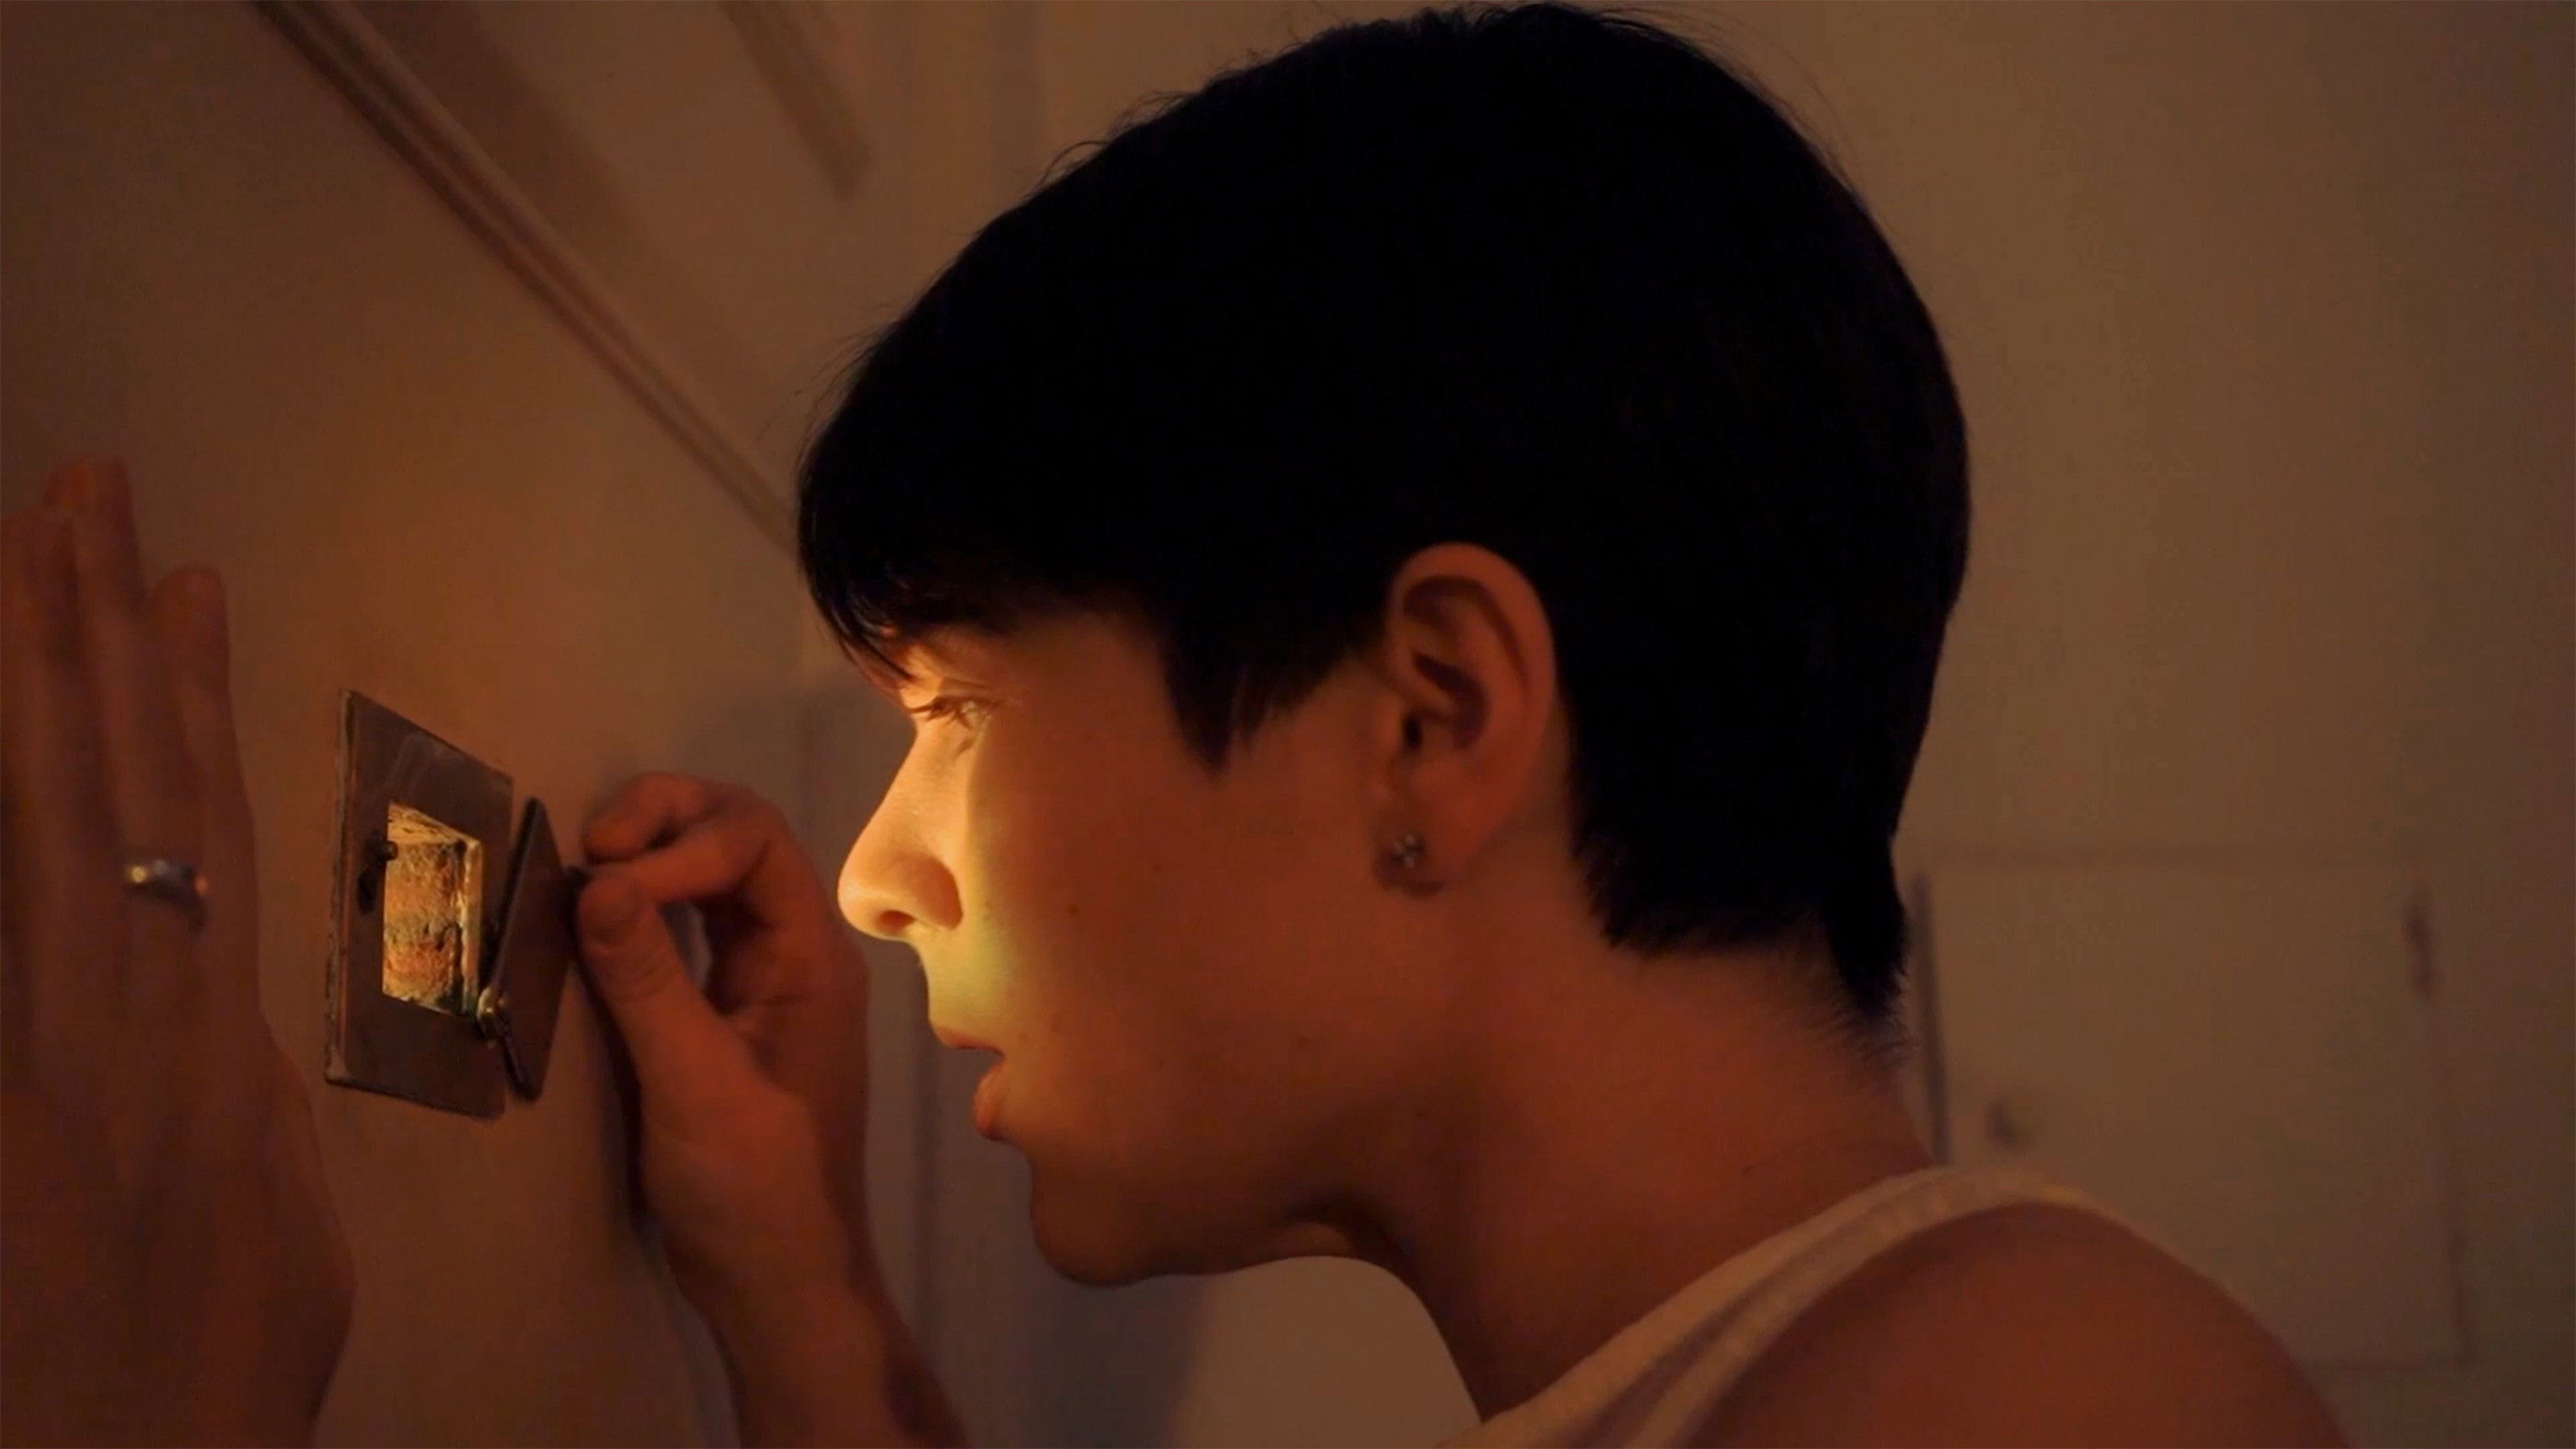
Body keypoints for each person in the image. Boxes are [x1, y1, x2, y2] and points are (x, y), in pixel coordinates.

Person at [1, 4, 2350, 1445]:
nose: (876, 870)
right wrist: (806, 1294)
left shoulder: (2031, 1409)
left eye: (955, 706)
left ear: (1428, 718)